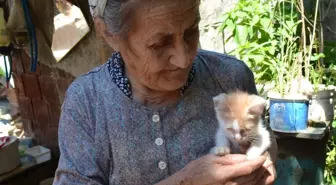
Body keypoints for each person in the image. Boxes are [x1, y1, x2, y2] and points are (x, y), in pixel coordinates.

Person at [53, 0, 278, 184]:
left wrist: (261, 163)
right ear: (108, 33)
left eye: (191, 31)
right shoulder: (86, 103)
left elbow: (265, 141)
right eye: (159, 43)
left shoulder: (230, 77)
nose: (184, 58)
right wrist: (187, 182)